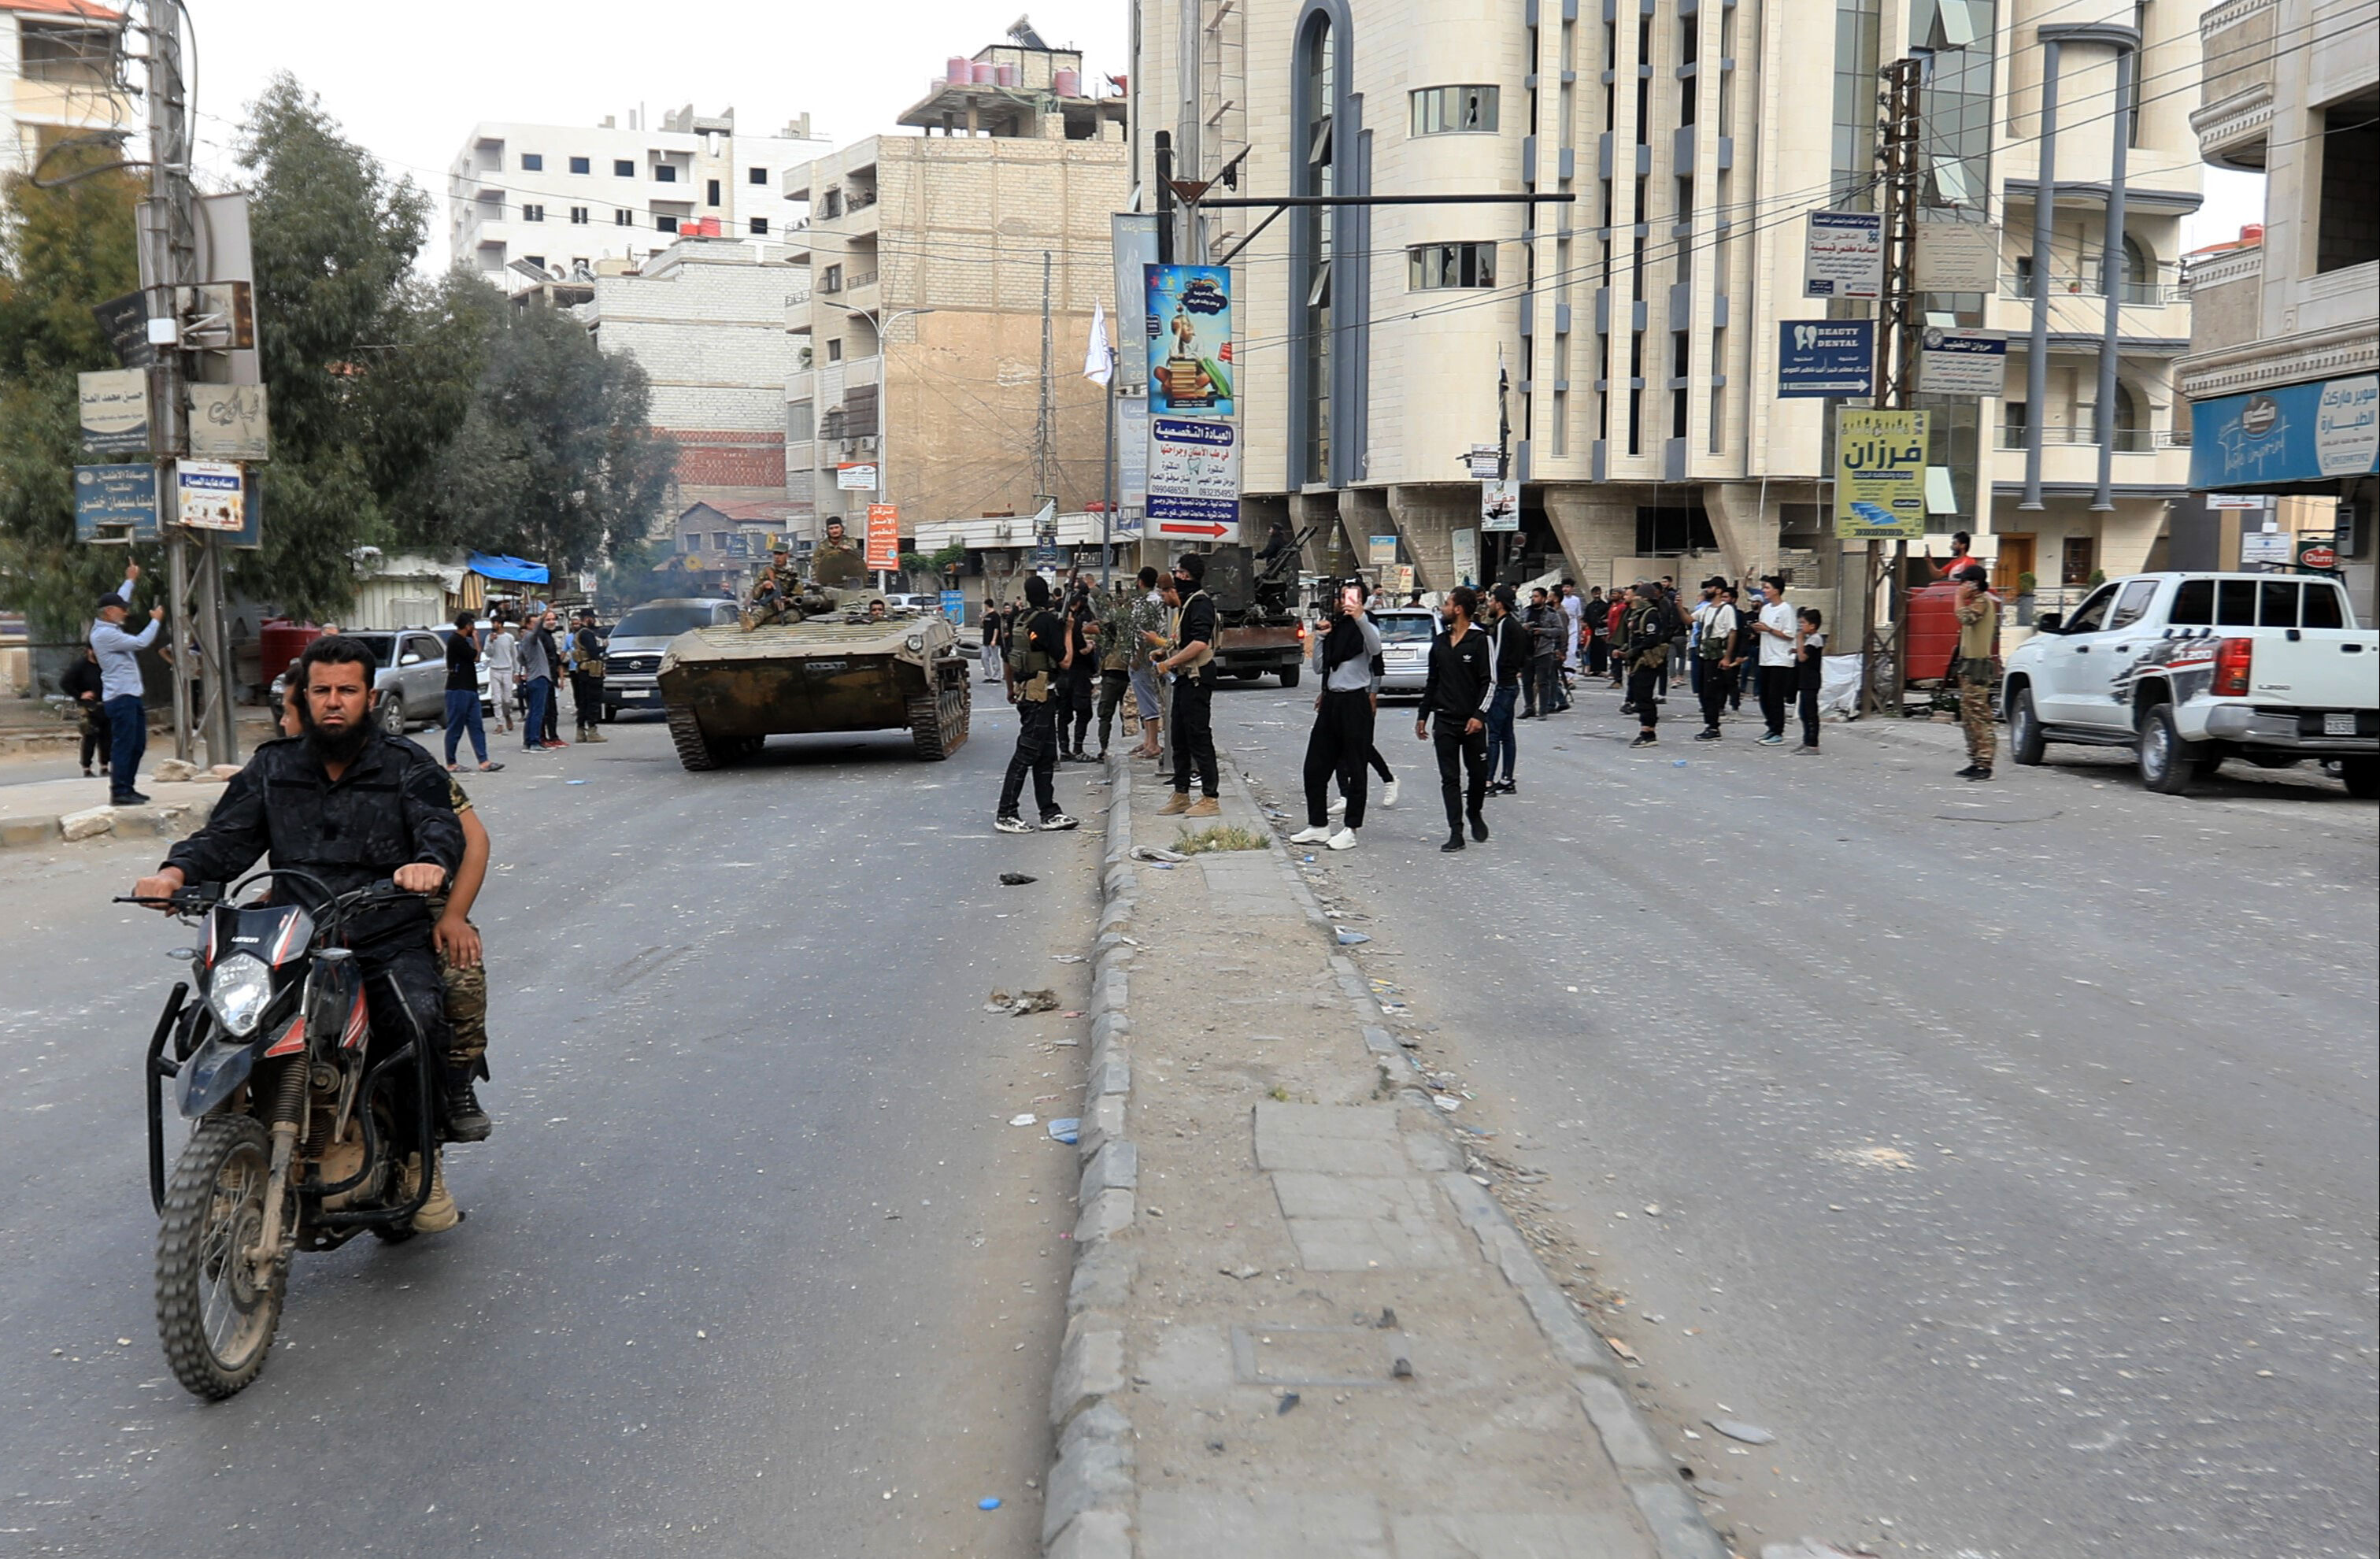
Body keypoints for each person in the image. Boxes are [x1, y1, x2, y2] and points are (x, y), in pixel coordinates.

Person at [135, 636, 480, 1151]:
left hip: (384, 934)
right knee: (206, 1024)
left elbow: (441, 827)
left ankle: (416, 1160)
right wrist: (173, 874)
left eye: (347, 690)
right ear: (304, 699)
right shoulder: (273, 767)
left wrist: (428, 865)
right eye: (322, 691)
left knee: (419, 1023)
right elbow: (225, 837)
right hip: (290, 939)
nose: (334, 701)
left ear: (370, 697)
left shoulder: (408, 764)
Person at [1290, 580, 1381, 852]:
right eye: (1342, 596)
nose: (1345, 601)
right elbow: (1318, 668)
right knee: (1315, 766)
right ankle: (1318, 825)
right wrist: (1320, 637)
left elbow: (1376, 650)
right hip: (1332, 700)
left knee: (1356, 768)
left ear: (1362, 599)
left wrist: (1360, 617)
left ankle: (1351, 829)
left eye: (1351, 596)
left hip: (1355, 701)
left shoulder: (1367, 626)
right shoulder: (1336, 627)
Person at [994, 574, 1079, 833]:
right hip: (1041, 695)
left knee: (1045, 756)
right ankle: (1006, 812)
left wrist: (1010, 689)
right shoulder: (1046, 622)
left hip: (1025, 693)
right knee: (1027, 753)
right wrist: (1067, 630)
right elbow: (1065, 662)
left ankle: (1049, 811)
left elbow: (1008, 659)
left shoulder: (1018, 618)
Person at [1415, 586, 1492, 851]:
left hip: (1472, 722)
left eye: (1447, 603)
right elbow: (1432, 681)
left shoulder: (1480, 640)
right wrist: (1423, 715)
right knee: (1450, 778)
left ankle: (1474, 811)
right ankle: (1455, 831)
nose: (1444, 608)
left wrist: (1479, 715)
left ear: (1458, 609)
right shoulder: (1439, 642)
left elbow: (1489, 682)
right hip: (1444, 721)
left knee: (1478, 774)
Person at [90, 565, 162, 805]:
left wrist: (130, 581)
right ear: (110, 612)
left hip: (130, 694)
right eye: (122, 610)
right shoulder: (104, 635)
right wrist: (155, 622)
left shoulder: (108, 626)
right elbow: (141, 642)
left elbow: (120, 599)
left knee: (137, 744)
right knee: (124, 745)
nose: (126, 613)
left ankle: (128, 787)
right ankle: (120, 790)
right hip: (120, 696)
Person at [1155, 555, 1221, 817]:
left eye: (1178, 572)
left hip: (1197, 678)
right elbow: (1185, 640)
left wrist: (1168, 663)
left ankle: (1210, 797)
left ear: (1185, 576)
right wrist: (1164, 654)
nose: (1175, 576)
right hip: (1185, 678)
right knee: (1178, 738)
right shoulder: (1188, 604)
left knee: (1199, 737)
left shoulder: (1201, 603)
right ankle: (1181, 793)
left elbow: (1199, 644)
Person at [1481, 583, 1529, 795]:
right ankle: (1507, 779)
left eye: (1492, 601)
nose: (1490, 604)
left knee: (1494, 734)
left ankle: (1488, 782)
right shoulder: (1516, 624)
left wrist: (1488, 682)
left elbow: (1497, 658)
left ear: (1499, 604)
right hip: (1511, 684)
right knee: (1507, 734)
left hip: (1501, 685)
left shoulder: (1502, 625)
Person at [1952, 565, 1998, 780]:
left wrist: (1959, 599)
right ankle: (1975, 759)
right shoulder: (1976, 602)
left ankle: (1985, 762)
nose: (1961, 587)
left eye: (1965, 582)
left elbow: (1965, 618)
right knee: (1969, 717)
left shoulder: (1983, 602)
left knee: (1980, 716)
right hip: (1969, 667)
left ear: (1975, 584)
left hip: (1979, 667)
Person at [442, 612, 503, 772]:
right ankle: (451, 762)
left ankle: (484, 761)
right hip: (458, 689)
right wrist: (477, 640)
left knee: (476, 726)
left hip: (470, 688)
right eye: (473, 626)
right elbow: (475, 657)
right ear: (468, 626)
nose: (474, 629)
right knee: (455, 727)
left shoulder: (461, 641)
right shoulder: (456, 640)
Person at [1125, 567, 1166, 759]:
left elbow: (1143, 634)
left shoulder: (1146, 603)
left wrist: (1137, 658)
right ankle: (1149, 741)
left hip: (1144, 657)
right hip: (1151, 654)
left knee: (1146, 698)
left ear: (1140, 581)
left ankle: (1153, 744)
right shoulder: (1155, 600)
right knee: (1146, 698)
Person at [1622, 583, 1669, 748]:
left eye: (1639, 597)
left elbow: (1651, 639)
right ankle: (1646, 730)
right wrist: (1624, 650)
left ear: (1646, 599)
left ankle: (1648, 732)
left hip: (1647, 660)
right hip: (1637, 660)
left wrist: (1634, 651)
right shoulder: (1638, 615)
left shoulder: (1651, 615)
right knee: (1639, 695)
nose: (1636, 600)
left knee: (1644, 696)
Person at [1753, 574, 1797, 746]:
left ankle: (1778, 731)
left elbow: (1789, 635)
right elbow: (1763, 628)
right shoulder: (1766, 609)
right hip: (1765, 657)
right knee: (1764, 696)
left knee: (1775, 696)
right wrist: (1757, 629)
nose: (1764, 591)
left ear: (1776, 590)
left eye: (1767, 588)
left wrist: (1769, 629)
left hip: (1780, 659)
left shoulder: (1786, 609)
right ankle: (1770, 727)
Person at [1693, 580, 1741, 741]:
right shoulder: (1706, 608)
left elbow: (1732, 632)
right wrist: (1678, 606)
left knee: (1711, 691)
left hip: (1716, 656)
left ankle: (1713, 726)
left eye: (1711, 587)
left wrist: (1727, 657)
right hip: (1704, 654)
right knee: (1702, 690)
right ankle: (1710, 723)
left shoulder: (1726, 609)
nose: (1708, 590)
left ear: (1719, 590)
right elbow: (1689, 620)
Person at [63, 646, 111, 779]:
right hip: (89, 706)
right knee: (90, 736)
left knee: (107, 736)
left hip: (106, 704)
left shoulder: (105, 664)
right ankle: (87, 768)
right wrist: (80, 695)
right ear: (89, 650)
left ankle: (105, 766)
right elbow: (65, 683)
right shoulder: (80, 666)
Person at [518, 611, 556, 752]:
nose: (537, 625)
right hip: (539, 677)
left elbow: (520, 658)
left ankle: (528, 742)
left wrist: (528, 667)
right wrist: (546, 612)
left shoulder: (526, 640)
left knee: (533, 711)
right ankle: (534, 742)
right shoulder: (530, 637)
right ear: (528, 625)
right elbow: (536, 631)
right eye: (534, 623)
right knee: (537, 712)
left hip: (534, 677)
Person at [570, 609, 607, 742]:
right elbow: (593, 652)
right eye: (592, 618)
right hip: (592, 671)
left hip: (583, 671)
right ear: (587, 618)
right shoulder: (586, 633)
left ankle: (581, 732)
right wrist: (604, 648)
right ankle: (592, 731)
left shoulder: (579, 633)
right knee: (593, 701)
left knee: (584, 701)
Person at [1793, 607, 1826, 754]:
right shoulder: (1810, 640)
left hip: (1811, 681)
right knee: (1803, 711)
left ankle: (1813, 744)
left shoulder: (1815, 639)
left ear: (1812, 625)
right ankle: (1806, 740)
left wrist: (1799, 641)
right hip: (1804, 680)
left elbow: (1803, 657)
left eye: (1803, 623)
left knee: (1810, 712)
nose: (1801, 626)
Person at [483, 615, 519, 732]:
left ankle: (507, 715)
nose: (494, 625)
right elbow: (488, 653)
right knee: (496, 699)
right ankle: (499, 723)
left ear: (501, 624)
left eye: (496, 623)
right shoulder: (489, 637)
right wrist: (492, 642)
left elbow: (514, 655)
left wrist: (516, 671)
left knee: (507, 699)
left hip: (507, 670)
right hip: (494, 669)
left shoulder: (509, 637)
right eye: (493, 623)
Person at [536, 612, 567, 746]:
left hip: (552, 678)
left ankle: (554, 737)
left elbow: (555, 658)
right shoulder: (541, 636)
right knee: (544, 710)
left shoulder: (550, 636)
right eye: (548, 619)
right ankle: (542, 738)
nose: (552, 622)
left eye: (553, 619)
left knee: (552, 711)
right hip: (543, 677)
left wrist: (561, 677)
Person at [812, 516, 868, 588]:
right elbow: (816, 565)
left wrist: (850, 550)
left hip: (851, 582)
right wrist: (815, 580)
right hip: (829, 582)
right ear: (827, 531)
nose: (834, 531)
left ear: (842, 528)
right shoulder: (822, 546)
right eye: (831, 528)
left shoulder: (850, 542)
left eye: (837, 527)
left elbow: (858, 559)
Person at [1558, 578, 1585, 701]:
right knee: (1561, 652)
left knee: (1571, 652)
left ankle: (1570, 678)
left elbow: (1579, 617)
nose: (1565, 589)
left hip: (1573, 628)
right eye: (1564, 587)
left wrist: (1580, 632)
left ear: (1572, 588)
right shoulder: (1559, 599)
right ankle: (1560, 676)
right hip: (1562, 627)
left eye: (1568, 587)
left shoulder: (1576, 600)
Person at [1584, 586, 1611, 679]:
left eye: (1598, 592)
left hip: (1602, 631)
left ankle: (1601, 669)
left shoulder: (1605, 605)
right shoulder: (1589, 606)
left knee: (1602, 650)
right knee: (1592, 651)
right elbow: (1586, 618)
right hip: (1592, 631)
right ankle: (1593, 669)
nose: (1596, 594)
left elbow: (1608, 617)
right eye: (1595, 592)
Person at [980, 601, 1004, 683]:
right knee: (984, 658)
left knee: (994, 659)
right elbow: (982, 626)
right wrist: (982, 619)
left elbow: (996, 628)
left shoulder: (995, 616)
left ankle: (997, 676)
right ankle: (988, 676)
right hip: (985, 640)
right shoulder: (986, 615)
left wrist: (994, 639)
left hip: (994, 641)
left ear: (987, 605)